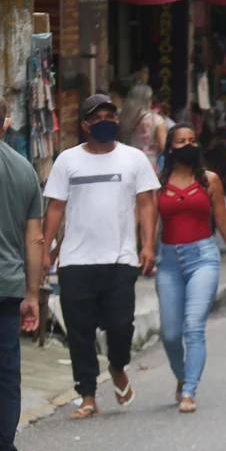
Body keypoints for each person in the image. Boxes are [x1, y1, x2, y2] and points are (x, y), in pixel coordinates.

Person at [42, 94, 160, 418]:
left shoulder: (133, 159)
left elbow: (148, 203)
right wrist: (45, 251)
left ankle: (118, 366)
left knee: (121, 325)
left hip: (120, 258)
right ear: (85, 125)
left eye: (110, 115)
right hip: (76, 260)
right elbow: (55, 207)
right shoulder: (67, 160)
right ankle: (88, 395)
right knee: (79, 332)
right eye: (98, 117)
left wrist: (147, 245)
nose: (105, 121)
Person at [156, 123, 226, 413]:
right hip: (168, 261)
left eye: (193, 140)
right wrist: (142, 250)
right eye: (181, 141)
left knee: (193, 327)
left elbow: (223, 221)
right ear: (170, 148)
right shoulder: (158, 181)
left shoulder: (209, 180)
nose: (188, 145)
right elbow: (147, 221)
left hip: (203, 258)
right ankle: (182, 377)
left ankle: (189, 391)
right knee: (170, 334)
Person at [0, 99, 43, 451]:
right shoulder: (24, 169)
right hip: (8, 287)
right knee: (6, 373)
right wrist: (32, 295)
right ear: (5, 125)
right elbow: (35, 239)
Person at [119, 83, 167, 171]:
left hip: (127, 163)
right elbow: (163, 147)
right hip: (148, 163)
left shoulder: (123, 118)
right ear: (149, 98)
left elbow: (119, 140)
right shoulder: (156, 119)